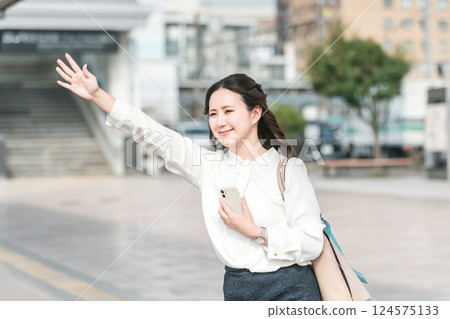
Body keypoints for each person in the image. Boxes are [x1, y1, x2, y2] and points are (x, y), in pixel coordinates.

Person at [56, 53, 325, 301]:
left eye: (229, 111)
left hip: (292, 291)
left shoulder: (288, 170)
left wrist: (255, 231)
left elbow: (313, 243)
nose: (220, 122)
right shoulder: (208, 167)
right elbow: (152, 132)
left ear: (255, 113)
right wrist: (98, 95)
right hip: (237, 288)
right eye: (213, 114)